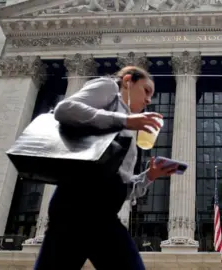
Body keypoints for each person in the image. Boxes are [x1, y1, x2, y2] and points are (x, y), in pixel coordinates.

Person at [34, 66, 177, 270]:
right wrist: (125, 120)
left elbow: (120, 184)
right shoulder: (109, 87)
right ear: (128, 81)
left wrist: (149, 176)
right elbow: (65, 109)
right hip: (78, 203)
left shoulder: (127, 127)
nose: (148, 100)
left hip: (102, 212)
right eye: (146, 91)